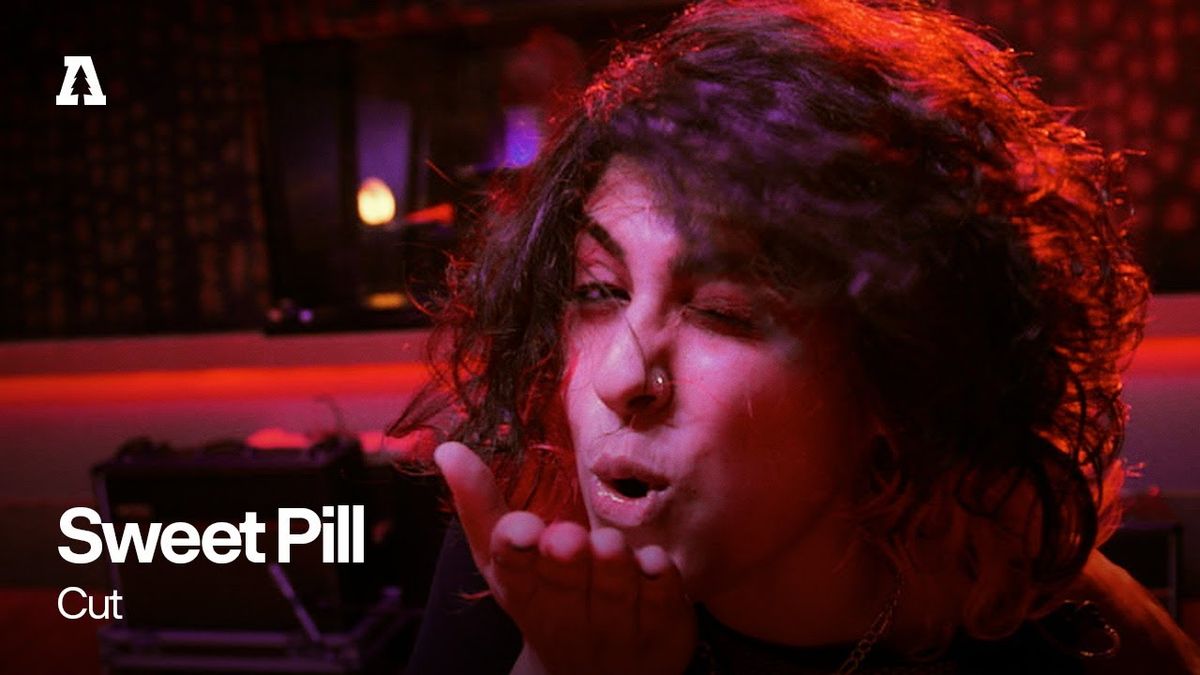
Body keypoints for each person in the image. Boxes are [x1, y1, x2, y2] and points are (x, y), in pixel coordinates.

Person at [390, 0, 1200, 672]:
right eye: (598, 291)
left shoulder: (1057, 624)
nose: (621, 378)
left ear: (900, 371)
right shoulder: (527, 548)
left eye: (724, 311)